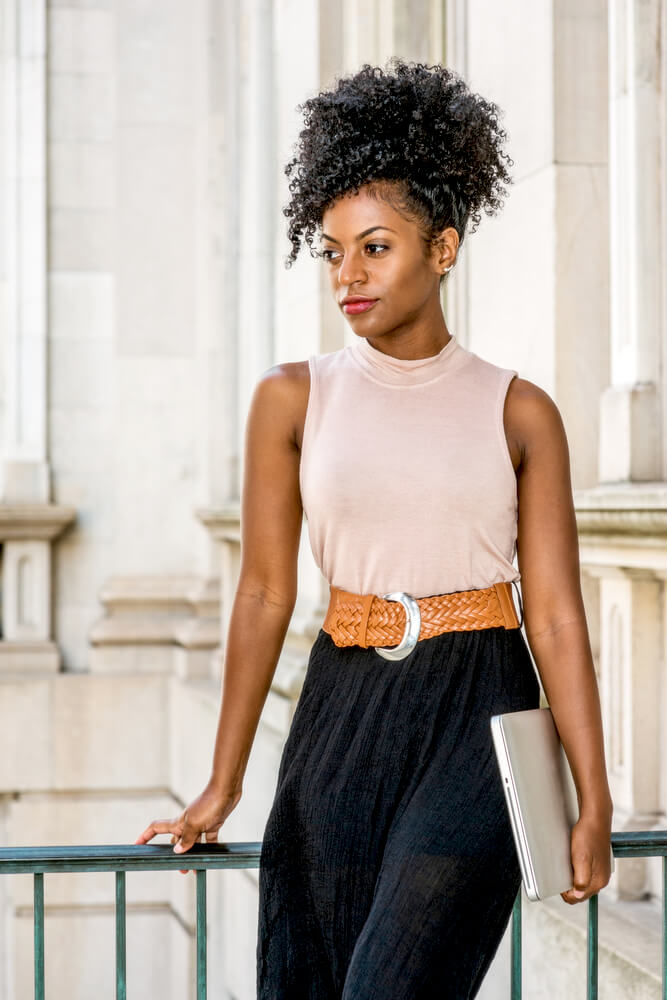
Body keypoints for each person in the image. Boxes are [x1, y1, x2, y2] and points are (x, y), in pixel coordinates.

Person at [135, 58, 613, 998]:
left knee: (389, 985)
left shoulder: (520, 412)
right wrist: (224, 782)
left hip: (481, 705)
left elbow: (554, 615)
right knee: (310, 978)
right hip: (340, 704)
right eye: (332, 251)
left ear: (443, 247)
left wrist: (593, 797)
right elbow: (266, 592)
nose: (346, 276)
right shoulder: (290, 398)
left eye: (376, 247)